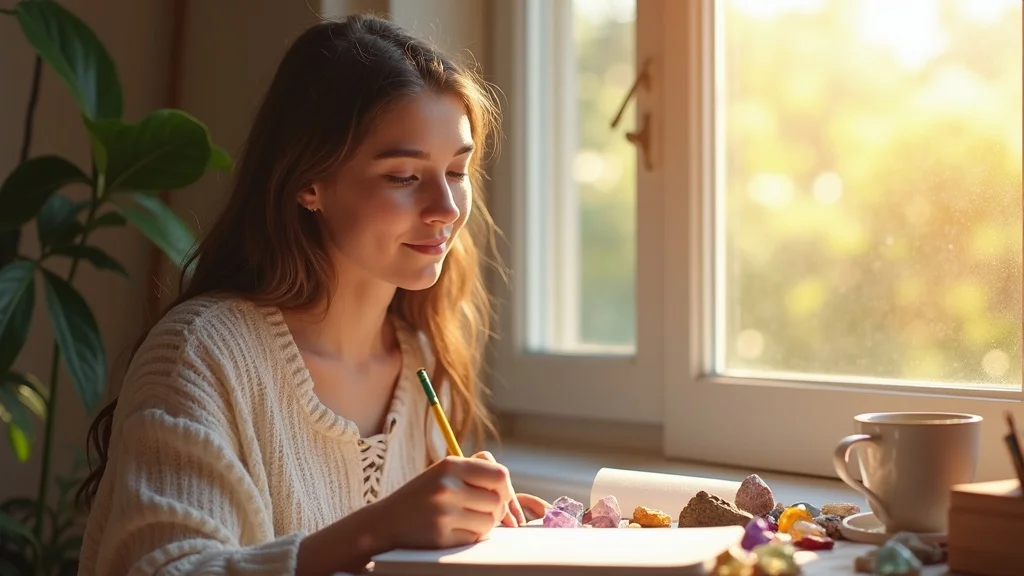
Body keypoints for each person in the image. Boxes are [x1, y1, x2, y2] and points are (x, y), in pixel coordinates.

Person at [76, 13, 550, 576]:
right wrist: (379, 528)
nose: (446, 209)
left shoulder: (423, 360)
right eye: (403, 176)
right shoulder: (201, 355)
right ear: (309, 183)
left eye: (457, 169)